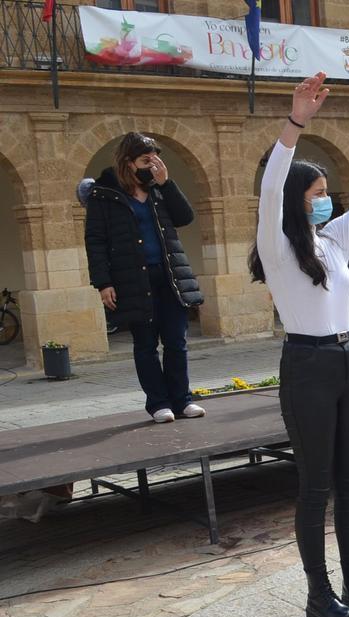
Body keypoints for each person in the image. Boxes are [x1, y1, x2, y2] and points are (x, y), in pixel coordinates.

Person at [248, 73, 349, 617]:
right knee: (316, 485)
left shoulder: (334, 240)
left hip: (348, 363)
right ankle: (319, 592)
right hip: (306, 367)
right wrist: (296, 121)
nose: (325, 200)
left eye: (326, 193)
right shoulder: (278, 248)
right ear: (296, 201)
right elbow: (268, 190)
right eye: (316, 193)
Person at [84, 133, 205, 424]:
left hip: (170, 275)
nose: (151, 166)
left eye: (154, 159)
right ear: (128, 162)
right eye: (145, 161)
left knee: (176, 341)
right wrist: (104, 282)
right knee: (146, 345)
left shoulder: (159, 190)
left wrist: (166, 182)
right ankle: (158, 403)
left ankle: (182, 399)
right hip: (132, 280)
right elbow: (95, 241)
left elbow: (185, 217)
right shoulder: (104, 195)